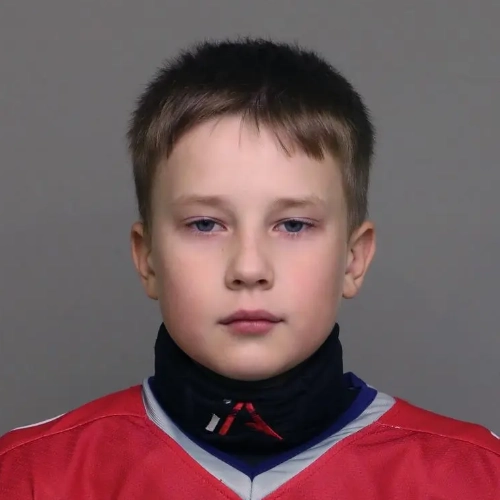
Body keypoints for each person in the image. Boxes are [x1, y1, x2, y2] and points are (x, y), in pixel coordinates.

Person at [0, 38, 498, 500]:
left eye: (294, 225)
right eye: (205, 224)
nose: (249, 267)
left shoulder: (476, 477)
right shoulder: (30, 476)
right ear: (147, 257)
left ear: (354, 258)